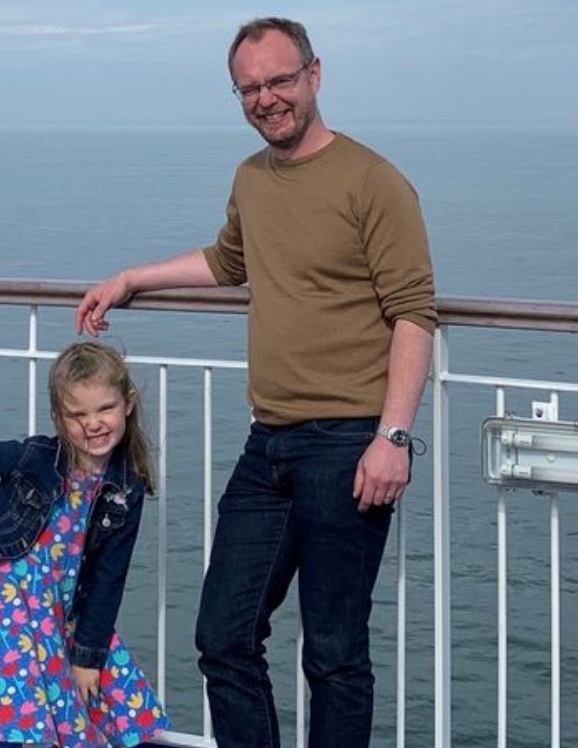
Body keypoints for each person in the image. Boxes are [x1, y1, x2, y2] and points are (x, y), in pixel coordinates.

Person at [75, 16, 437, 748]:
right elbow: (228, 260)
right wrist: (130, 277)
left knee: (334, 652)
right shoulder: (251, 177)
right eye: (249, 88)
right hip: (268, 443)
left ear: (314, 74)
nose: (266, 98)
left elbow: (412, 313)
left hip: (348, 443)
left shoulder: (373, 181)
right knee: (223, 636)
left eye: (279, 80)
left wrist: (393, 437)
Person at [0, 341, 170, 748]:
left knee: (61, 717)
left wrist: (87, 657)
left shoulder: (125, 488)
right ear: (60, 417)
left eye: (105, 409)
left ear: (128, 403)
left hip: (54, 613)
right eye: (78, 415)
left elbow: (108, 576)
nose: (93, 424)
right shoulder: (34, 456)